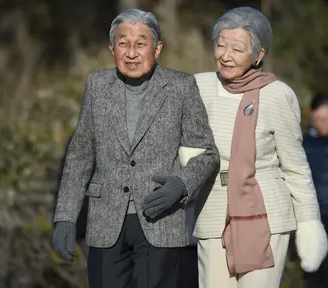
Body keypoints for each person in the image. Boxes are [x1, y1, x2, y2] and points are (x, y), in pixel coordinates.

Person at [52, 8, 220, 288]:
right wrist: (66, 217)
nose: (131, 52)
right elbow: (79, 156)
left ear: (157, 49)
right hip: (105, 222)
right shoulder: (97, 86)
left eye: (141, 43)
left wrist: (180, 185)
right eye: (123, 43)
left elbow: (207, 153)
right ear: (111, 48)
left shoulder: (181, 86)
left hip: (160, 220)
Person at [188, 7, 327, 288]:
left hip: (267, 216)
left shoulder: (277, 95)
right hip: (213, 211)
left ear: (259, 55)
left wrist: (309, 222)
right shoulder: (196, 87)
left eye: (237, 49)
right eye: (221, 45)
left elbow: (295, 168)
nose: (225, 56)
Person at [303, 92, 328, 288]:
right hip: (314, 218)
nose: (321, 123)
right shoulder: (305, 144)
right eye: (317, 119)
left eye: (325, 119)